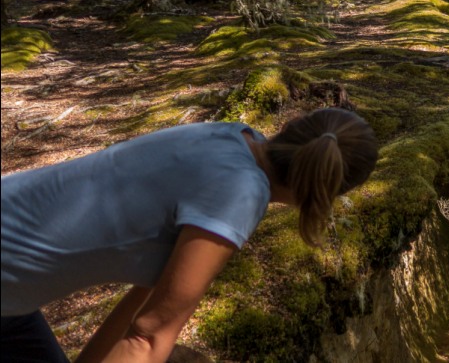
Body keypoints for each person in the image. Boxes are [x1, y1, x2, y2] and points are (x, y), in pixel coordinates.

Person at [1, 107, 378, 363]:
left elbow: (146, 307)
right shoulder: (240, 194)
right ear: (324, 193)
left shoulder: (229, 137)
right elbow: (148, 340)